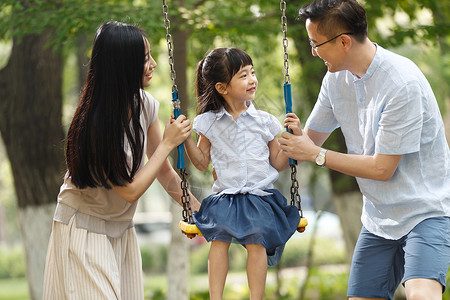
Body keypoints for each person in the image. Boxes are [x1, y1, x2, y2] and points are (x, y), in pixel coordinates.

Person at [278, 1, 450, 299]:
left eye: (316, 44)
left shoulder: (401, 83)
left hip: (426, 212)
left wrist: (314, 154)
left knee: (422, 295)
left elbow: (382, 169)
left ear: (344, 41)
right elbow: (307, 143)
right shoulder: (335, 81)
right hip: (379, 219)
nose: (313, 52)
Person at [43, 21, 200, 300]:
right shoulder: (97, 122)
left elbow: (163, 173)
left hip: (121, 232)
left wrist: (201, 212)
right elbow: (129, 191)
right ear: (122, 64)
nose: (153, 64)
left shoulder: (146, 104)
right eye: (144, 58)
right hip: (83, 230)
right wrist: (167, 143)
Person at [183, 47, 301, 300]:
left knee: (256, 240)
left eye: (252, 72)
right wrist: (185, 140)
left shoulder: (265, 121)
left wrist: (293, 140)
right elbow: (202, 162)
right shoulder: (210, 122)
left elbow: (278, 162)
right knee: (219, 238)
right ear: (222, 88)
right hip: (226, 196)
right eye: (243, 75)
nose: (252, 79)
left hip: (260, 196)